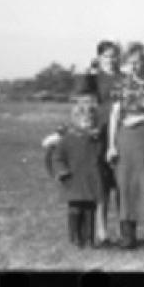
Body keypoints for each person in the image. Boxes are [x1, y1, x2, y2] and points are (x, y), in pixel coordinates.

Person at [107, 42, 144, 251]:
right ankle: (127, 236)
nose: (135, 66)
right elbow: (114, 115)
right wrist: (111, 145)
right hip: (126, 141)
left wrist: (140, 118)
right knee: (126, 185)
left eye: (139, 61)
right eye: (131, 62)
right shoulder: (120, 83)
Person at [50, 74, 105, 248]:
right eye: (83, 121)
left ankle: (89, 238)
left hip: (91, 180)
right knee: (75, 210)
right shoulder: (68, 139)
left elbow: (101, 156)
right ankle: (75, 238)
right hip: (73, 180)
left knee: (90, 210)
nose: (87, 123)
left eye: (90, 121)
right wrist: (62, 171)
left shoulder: (96, 139)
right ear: (75, 120)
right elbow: (57, 157)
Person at [90, 39, 122, 247]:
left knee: (120, 184)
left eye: (113, 56)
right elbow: (85, 107)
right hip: (99, 135)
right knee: (100, 185)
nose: (110, 60)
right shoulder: (93, 79)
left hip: (121, 134)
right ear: (99, 57)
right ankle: (101, 232)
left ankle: (123, 231)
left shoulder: (124, 78)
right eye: (106, 56)